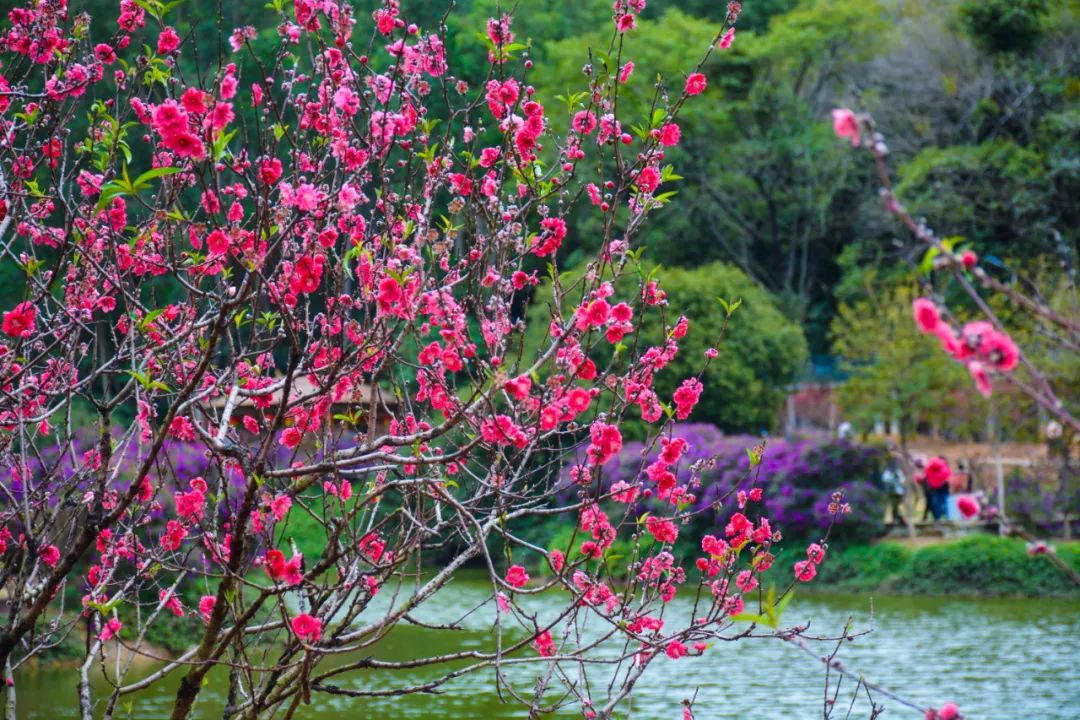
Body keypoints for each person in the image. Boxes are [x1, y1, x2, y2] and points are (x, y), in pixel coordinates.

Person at [881, 458, 906, 525]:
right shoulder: (887, 472)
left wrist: (899, 480)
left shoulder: (898, 471)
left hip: (899, 492)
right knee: (895, 506)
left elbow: (902, 480)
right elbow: (885, 480)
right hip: (892, 492)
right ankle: (898, 519)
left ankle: (898, 519)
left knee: (896, 506)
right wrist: (893, 480)